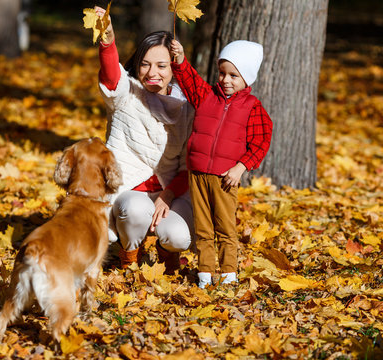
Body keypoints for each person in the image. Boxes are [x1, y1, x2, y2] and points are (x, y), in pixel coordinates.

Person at [94, 7, 195, 274]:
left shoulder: (187, 107)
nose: (152, 72)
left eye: (162, 66)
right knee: (135, 211)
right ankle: (129, 257)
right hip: (130, 191)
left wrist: (168, 195)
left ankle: (166, 255)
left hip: (170, 191)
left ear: (174, 67)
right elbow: (111, 76)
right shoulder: (127, 93)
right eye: (145, 64)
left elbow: (188, 165)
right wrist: (107, 39)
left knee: (178, 236)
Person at [170, 39, 273, 288]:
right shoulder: (207, 97)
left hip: (225, 177)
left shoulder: (253, 107)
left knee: (225, 228)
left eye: (233, 76)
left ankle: (228, 275)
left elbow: (261, 141)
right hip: (198, 174)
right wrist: (180, 58)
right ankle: (205, 274)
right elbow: (189, 80)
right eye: (222, 73)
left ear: (246, 78)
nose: (226, 80)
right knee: (203, 228)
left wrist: (241, 167)